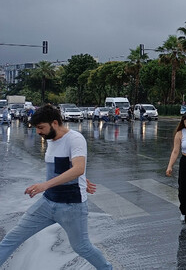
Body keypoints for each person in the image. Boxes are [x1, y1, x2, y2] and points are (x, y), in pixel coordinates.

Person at [0, 105, 112, 269]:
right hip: (47, 204)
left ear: (54, 123)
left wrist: (46, 185)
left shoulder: (74, 138)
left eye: (41, 127)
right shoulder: (51, 140)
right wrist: (81, 178)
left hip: (71, 207)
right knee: (12, 239)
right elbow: (67, 167)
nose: (38, 132)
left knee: (81, 247)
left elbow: (78, 168)